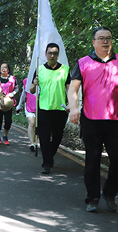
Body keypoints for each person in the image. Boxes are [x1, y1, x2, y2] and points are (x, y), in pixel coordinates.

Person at [68, 27, 118, 213]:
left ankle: (110, 192)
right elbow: (73, 88)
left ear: (112, 41)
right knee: (92, 159)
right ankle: (92, 198)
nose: (105, 41)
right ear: (93, 42)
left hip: (116, 119)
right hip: (91, 119)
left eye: (108, 38)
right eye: (101, 39)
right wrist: (74, 108)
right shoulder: (83, 63)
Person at [30, 43, 70, 175]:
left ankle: (49, 157)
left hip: (60, 109)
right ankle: (46, 163)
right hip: (44, 108)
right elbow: (31, 90)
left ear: (58, 54)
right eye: (50, 53)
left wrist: (71, 104)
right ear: (46, 54)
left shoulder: (65, 69)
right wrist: (34, 84)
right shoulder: (39, 69)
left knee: (57, 137)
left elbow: (69, 88)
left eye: (55, 53)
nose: (52, 55)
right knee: (44, 138)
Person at [0, 63, 18, 145]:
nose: (3, 69)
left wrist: (12, 94)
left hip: (8, 103)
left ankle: (5, 136)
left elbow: (16, 88)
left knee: (8, 121)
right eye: (2, 67)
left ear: (8, 69)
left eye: (5, 67)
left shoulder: (13, 79)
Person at [19, 78, 37, 151]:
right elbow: (24, 93)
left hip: (40, 106)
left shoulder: (44, 79)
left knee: (38, 124)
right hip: (29, 105)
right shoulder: (26, 81)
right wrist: (19, 104)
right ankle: (32, 143)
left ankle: (36, 141)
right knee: (32, 122)